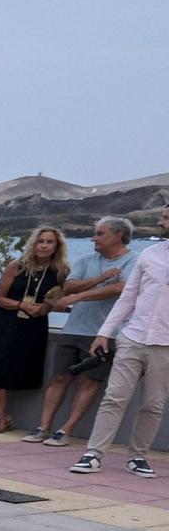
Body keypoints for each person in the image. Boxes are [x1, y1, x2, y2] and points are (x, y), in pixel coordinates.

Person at [70, 205, 169, 479]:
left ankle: (138, 457)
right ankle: (93, 453)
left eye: (166, 218)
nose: (161, 222)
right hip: (133, 337)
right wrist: (105, 332)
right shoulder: (150, 255)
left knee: (154, 403)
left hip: (165, 346)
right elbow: (128, 297)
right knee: (114, 397)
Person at [27, 216, 137, 446]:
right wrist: (99, 279)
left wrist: (80, 296)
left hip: (104, 334)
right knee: (59, 377)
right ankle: (43, 427)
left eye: (100, 234)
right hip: (74, 328)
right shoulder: (87, 260)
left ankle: (65, 430)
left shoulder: (133, 261)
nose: (93, 238)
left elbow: (120, 289)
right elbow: (69, 285)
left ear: (118, 236)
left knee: (88, 382)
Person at [0, 226, 68, 432]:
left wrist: (44, 308)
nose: (44, 245)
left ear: (56, 246)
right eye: (40, 241)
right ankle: (2, 417)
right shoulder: (16, 266)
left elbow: (57, 297)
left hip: (33, 325)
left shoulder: (60, 272)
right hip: (6, 322)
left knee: (13, 371)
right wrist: (21, 305)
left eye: (49, 242)